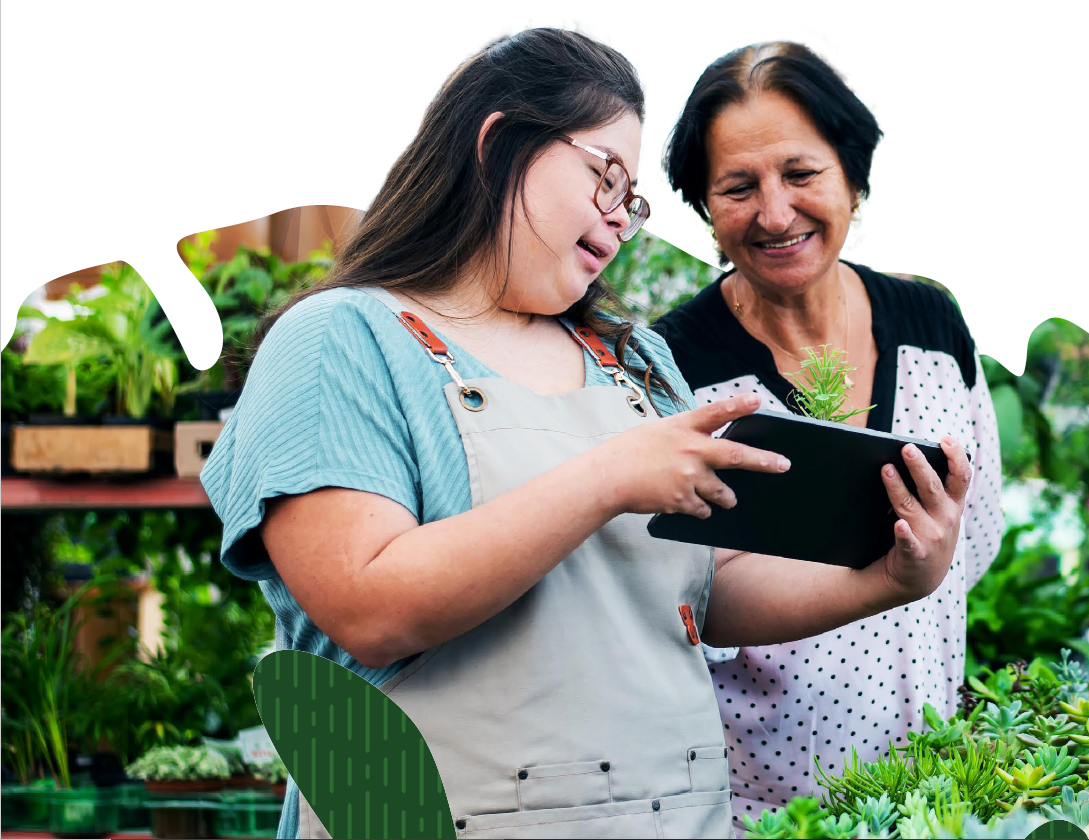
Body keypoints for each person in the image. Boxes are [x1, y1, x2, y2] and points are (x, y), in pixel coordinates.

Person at [200, 29, 973, 839]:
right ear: (498, 143)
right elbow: (370, 607)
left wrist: (892, 578)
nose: (617, 220)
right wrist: (607, 478)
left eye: (631, 199)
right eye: (603, 178)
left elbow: (704, 593)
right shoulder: (344, 340)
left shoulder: (630, 361)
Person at [652, 41, 1006, 823]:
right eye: (737, 187)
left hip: (939, 794)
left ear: (852, 174)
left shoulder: (932, 325)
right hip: (765, 810)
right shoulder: (673, 368)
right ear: (704, 207)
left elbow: (972, 538)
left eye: (801, 174)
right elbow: (680, 600)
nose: (774, 214)